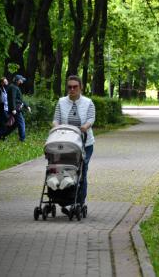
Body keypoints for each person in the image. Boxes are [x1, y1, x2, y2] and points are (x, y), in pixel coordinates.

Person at [52, 75, 96, 213]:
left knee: (82, 171)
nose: (72, 89)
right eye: (69, 87)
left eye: (75, 87)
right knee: (63, 169)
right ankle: (63, 198)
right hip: (65, 143)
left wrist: (85, 126)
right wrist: (55, 127)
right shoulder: (61, 102)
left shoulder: (88, 102)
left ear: (80, 87)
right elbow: (56, 119)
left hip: (84, 144)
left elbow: (91, 118)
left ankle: (79, 202)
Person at [5, 74, 31, 141]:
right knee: (21, 122)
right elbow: (12, 99)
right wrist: (13, 109)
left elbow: (20, 99)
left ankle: (2, 135)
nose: (22, 80)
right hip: (16, 109)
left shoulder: (16, 87)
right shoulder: (13, 87)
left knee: (15, 124)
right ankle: (22, 139)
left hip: (17, 108)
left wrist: (27, 106)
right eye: (21, 79)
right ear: (18, 80)